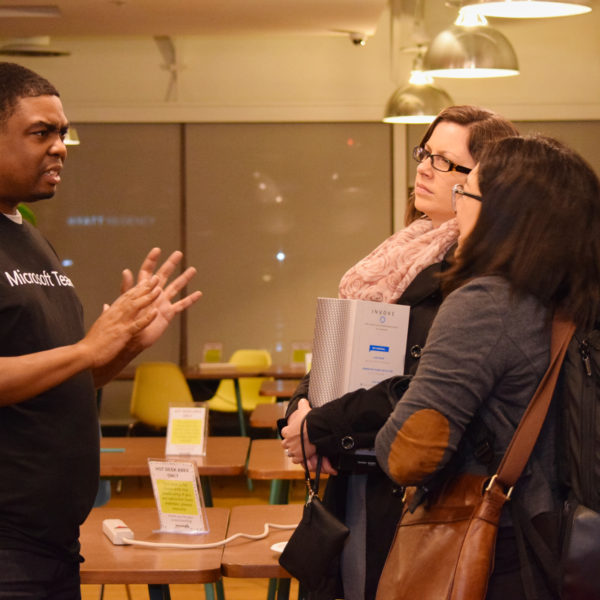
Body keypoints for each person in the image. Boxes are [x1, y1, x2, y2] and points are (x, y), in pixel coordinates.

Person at [281, 105, 519, 600]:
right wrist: (299, 409)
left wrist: (318, 427)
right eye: (425, 153)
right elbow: (336, 348)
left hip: (419, 491)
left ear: (486, 182)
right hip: (353, 470)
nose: (425, 168)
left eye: (445, 161)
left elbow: (416, 387)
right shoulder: (397, 255)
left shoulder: (482, 278)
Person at [0, 62, 202, 599]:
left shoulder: (29, 238)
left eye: (62, 133)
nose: (60, 147)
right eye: (40, 132)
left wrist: (121, 348)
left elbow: (57, 381)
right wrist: (89, 347)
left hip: (55, 541)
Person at [374, 134, 600, 599]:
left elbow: (408, 454)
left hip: (503, 552)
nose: (458, 209)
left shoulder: (488, 302)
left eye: (466, 193)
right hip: (576, 538)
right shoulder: (581, 299)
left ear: (502, 216)